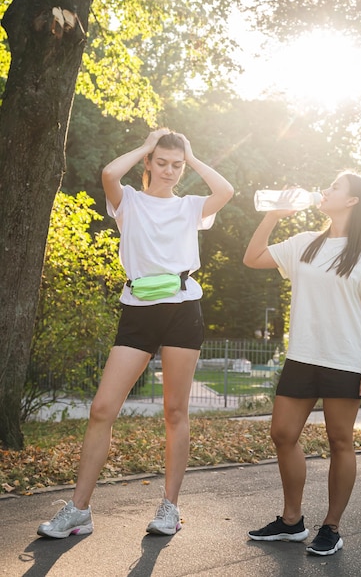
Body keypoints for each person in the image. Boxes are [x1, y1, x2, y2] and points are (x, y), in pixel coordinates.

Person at [37, 128, 234, 538]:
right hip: (138, 310)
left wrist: (191, 156)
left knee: (175, 412)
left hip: (183, 308)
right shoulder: (128, 201)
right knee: (102, 408)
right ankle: (78, 510)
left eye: (175, 165)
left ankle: (170, 508)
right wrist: (148, 144)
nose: (169, 170)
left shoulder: (191, 206)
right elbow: (109, 171)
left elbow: (226, 190)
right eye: (161, 162)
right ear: (147, 162)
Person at [243, 171, 361, 556]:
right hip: (302, 356)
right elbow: (252, 257)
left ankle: (332, 527)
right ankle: (292, 522)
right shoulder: (305, 243)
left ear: (352, 201)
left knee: (340, 441)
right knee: (282, 434)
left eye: (335, 187)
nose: (325, 191)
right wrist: (274, 214)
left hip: (345, 359)